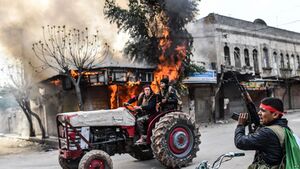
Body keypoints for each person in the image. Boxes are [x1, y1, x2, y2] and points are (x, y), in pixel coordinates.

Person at [234, 97, 289, 168]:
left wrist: (240, 125)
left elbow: (240, 142)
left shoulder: (268, 133)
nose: (259, 113)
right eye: (259, 110)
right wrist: (249, 104)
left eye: (263, 111)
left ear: (275, 115)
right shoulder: (282, 128)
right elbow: (258, 124)